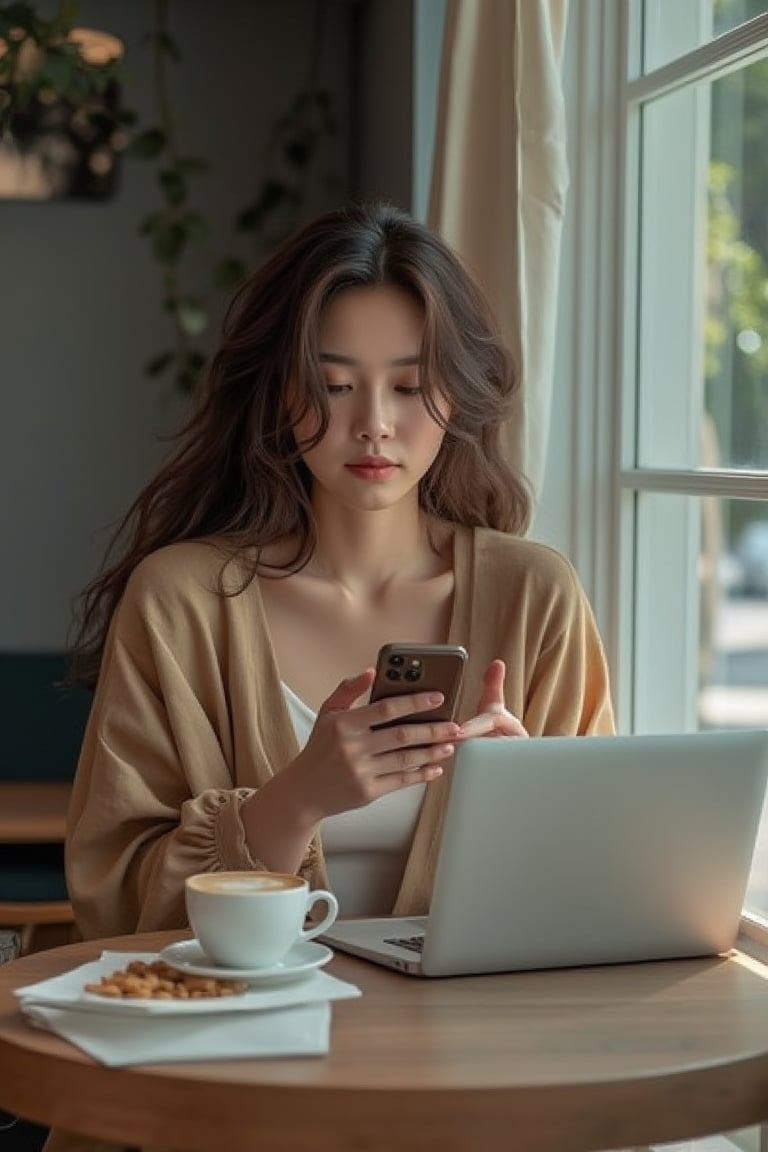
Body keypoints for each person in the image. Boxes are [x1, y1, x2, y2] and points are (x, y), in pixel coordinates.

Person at [65, 198, 614, 941]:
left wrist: (524, 807)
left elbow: (610, 888)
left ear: (456, 395)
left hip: (479, 1048)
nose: (375, 423)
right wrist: (297, 798)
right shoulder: (179, 601)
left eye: (411, 386)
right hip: (247, 1045)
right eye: (334, 383)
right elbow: (115, 897)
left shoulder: (535, 595)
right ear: (280, 392)